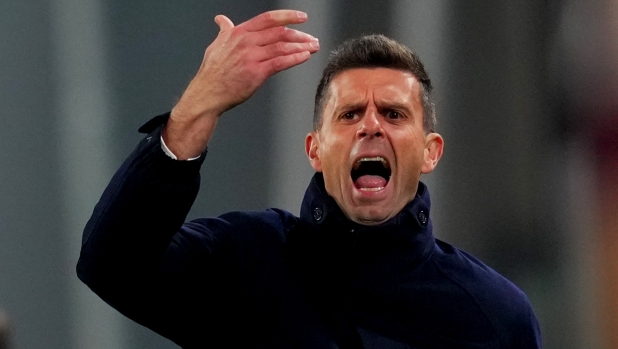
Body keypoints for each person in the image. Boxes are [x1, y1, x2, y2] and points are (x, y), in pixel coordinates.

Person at [77, 9, 542, 349]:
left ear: (429, 152)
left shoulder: (496, 318)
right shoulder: (246, 264)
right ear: (315, 150)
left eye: (395, 114)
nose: (371, 125)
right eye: (350, 113)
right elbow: (112, 266)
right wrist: (196, 108)